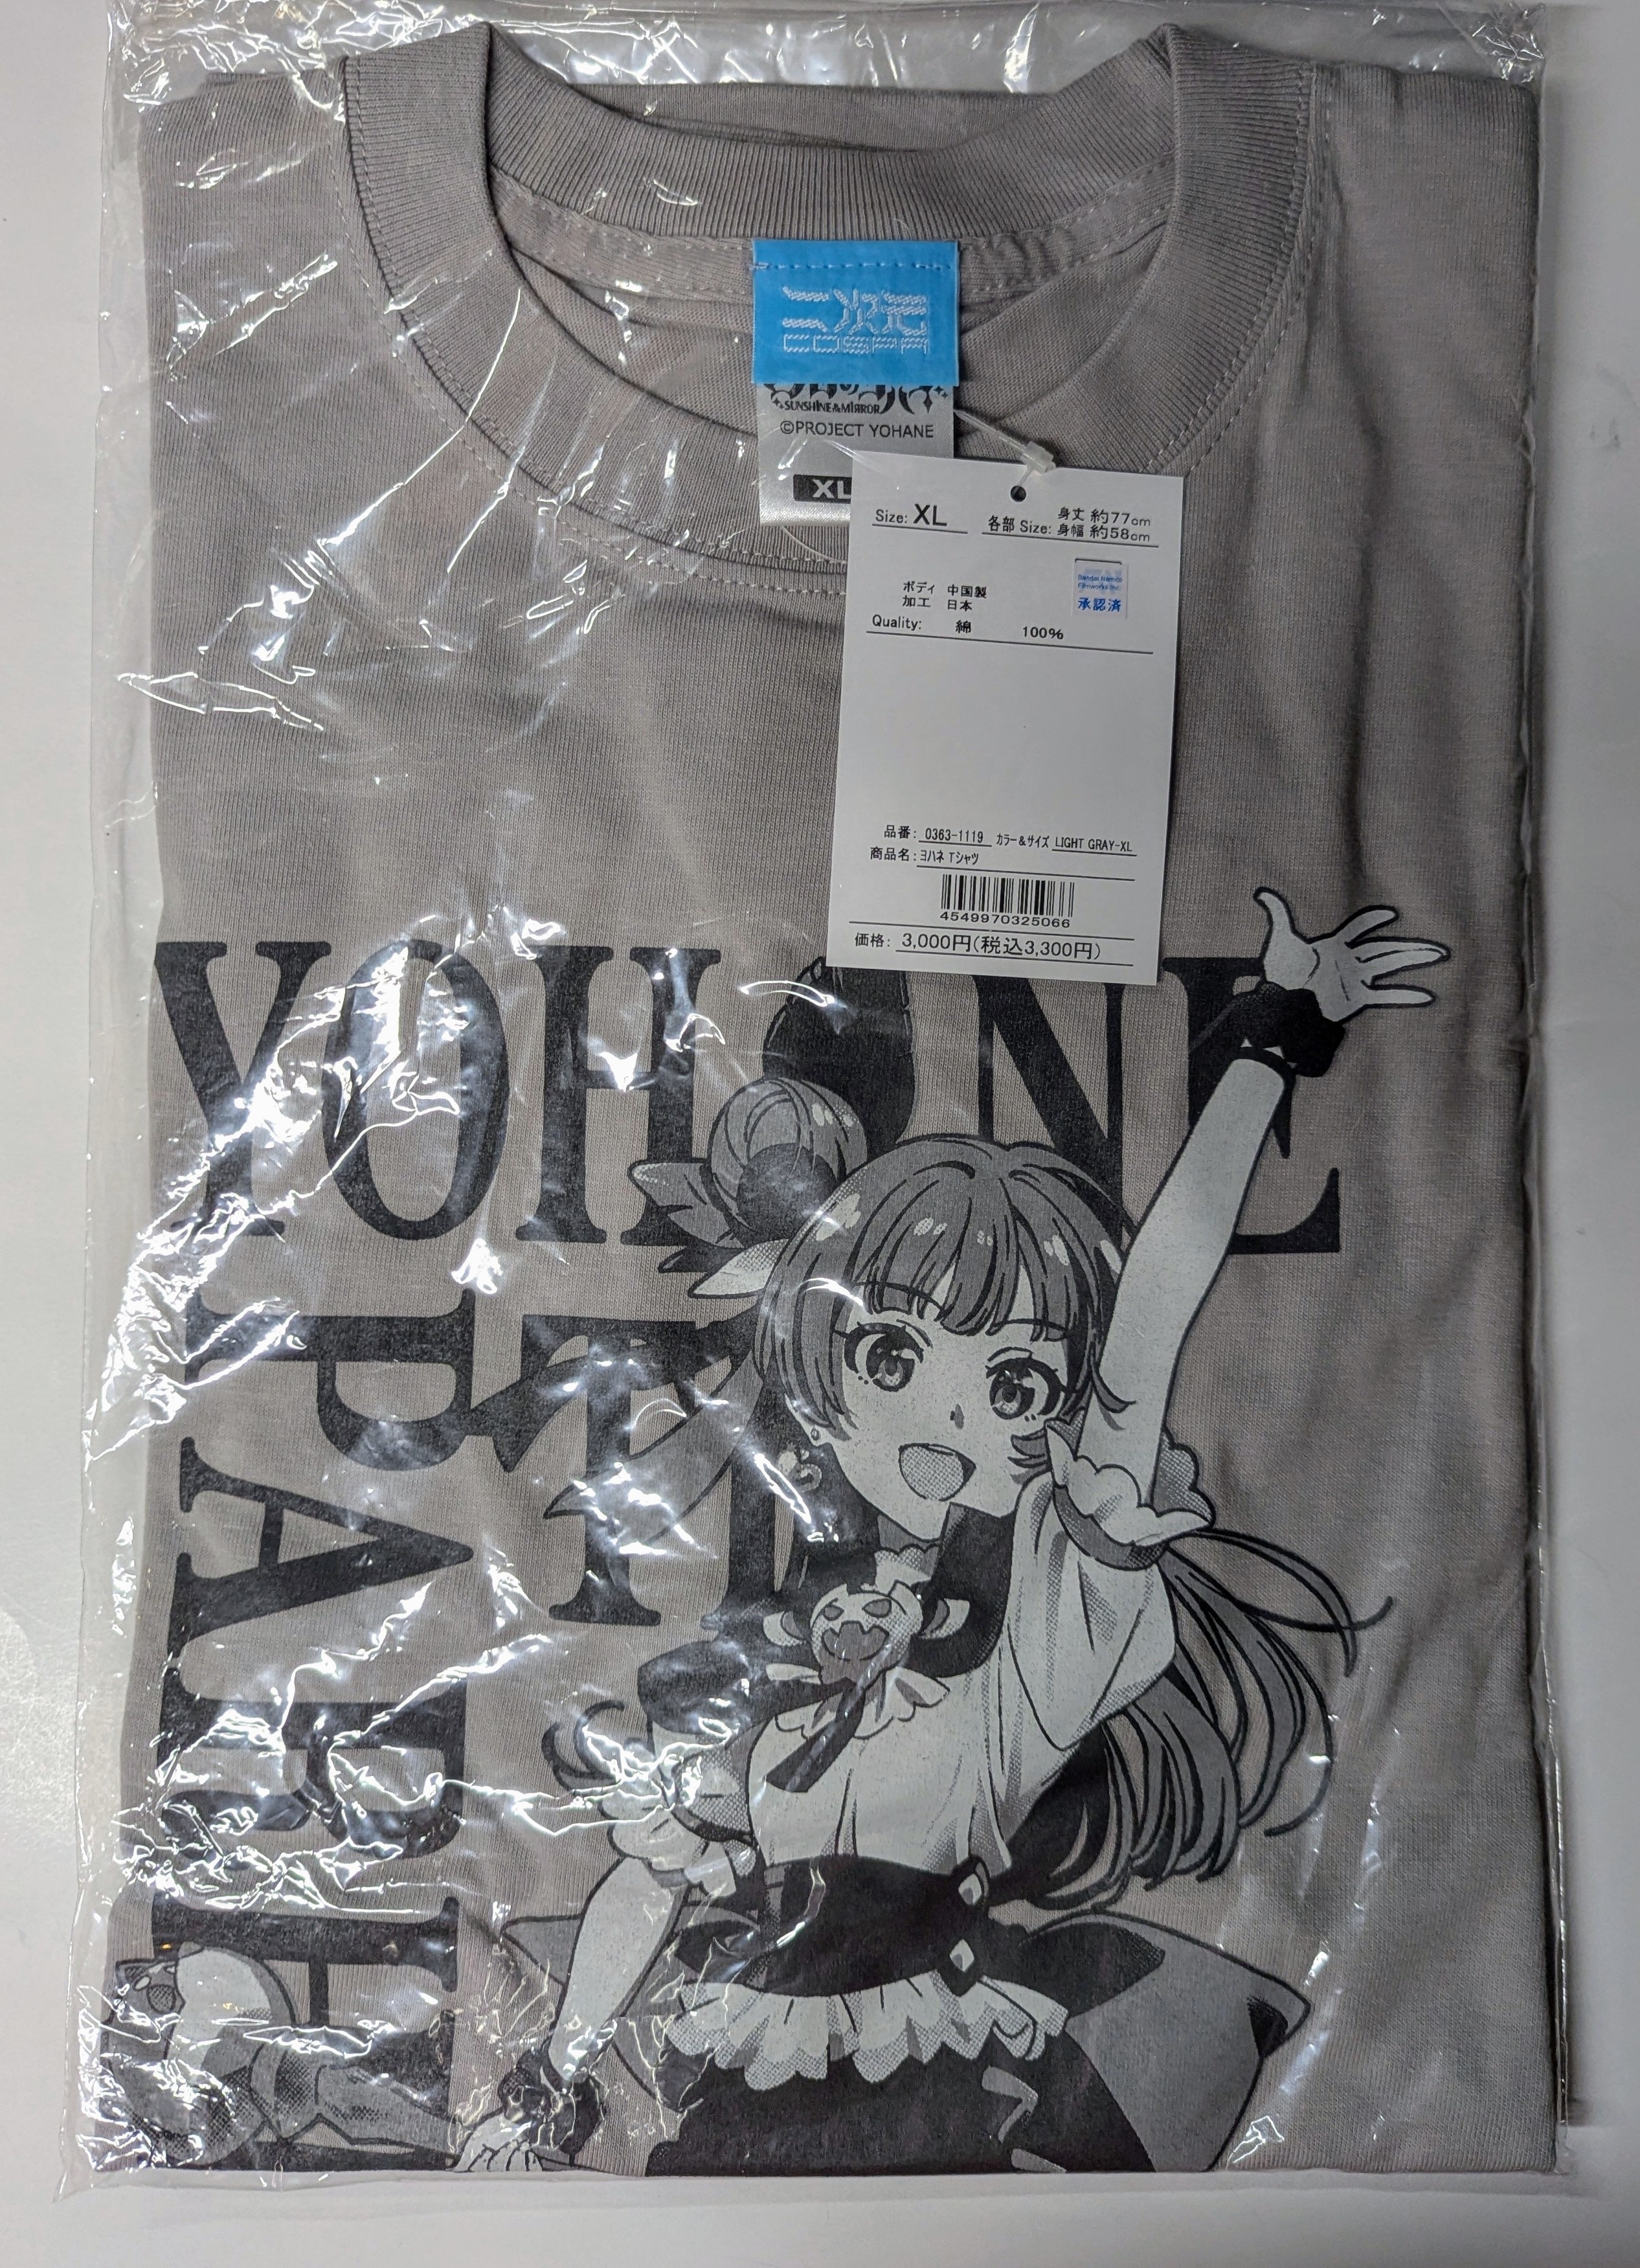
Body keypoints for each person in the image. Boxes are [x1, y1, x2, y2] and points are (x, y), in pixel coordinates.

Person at [460, 890, 1445, 2174]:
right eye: (891, 1354)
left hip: (933, 2090)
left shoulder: (1035, 1643)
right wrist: (549, 2082)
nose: (945, 1418)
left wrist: (1271, 1040)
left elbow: (1152, 1310)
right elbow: (648, 1882)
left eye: (1016, 1383)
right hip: (738, 2096)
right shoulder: (793, 1680)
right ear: (823, 1363)